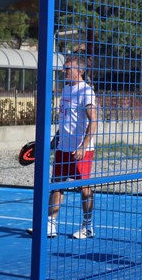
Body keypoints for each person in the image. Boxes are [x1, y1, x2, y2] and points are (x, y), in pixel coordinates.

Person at [36, 55, 98, 239]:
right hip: (63, 147)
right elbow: (65, 119)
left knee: (84, 188)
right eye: (64, 68)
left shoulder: (86, 91)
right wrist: (56, 138)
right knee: (57, 185)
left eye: (68, 69)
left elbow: (93, 121)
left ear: (80, 71)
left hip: (81, 150)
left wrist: (83, 146)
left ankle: (88, 226)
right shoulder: (65, 89)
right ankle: (50, 225)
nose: (64, 71)